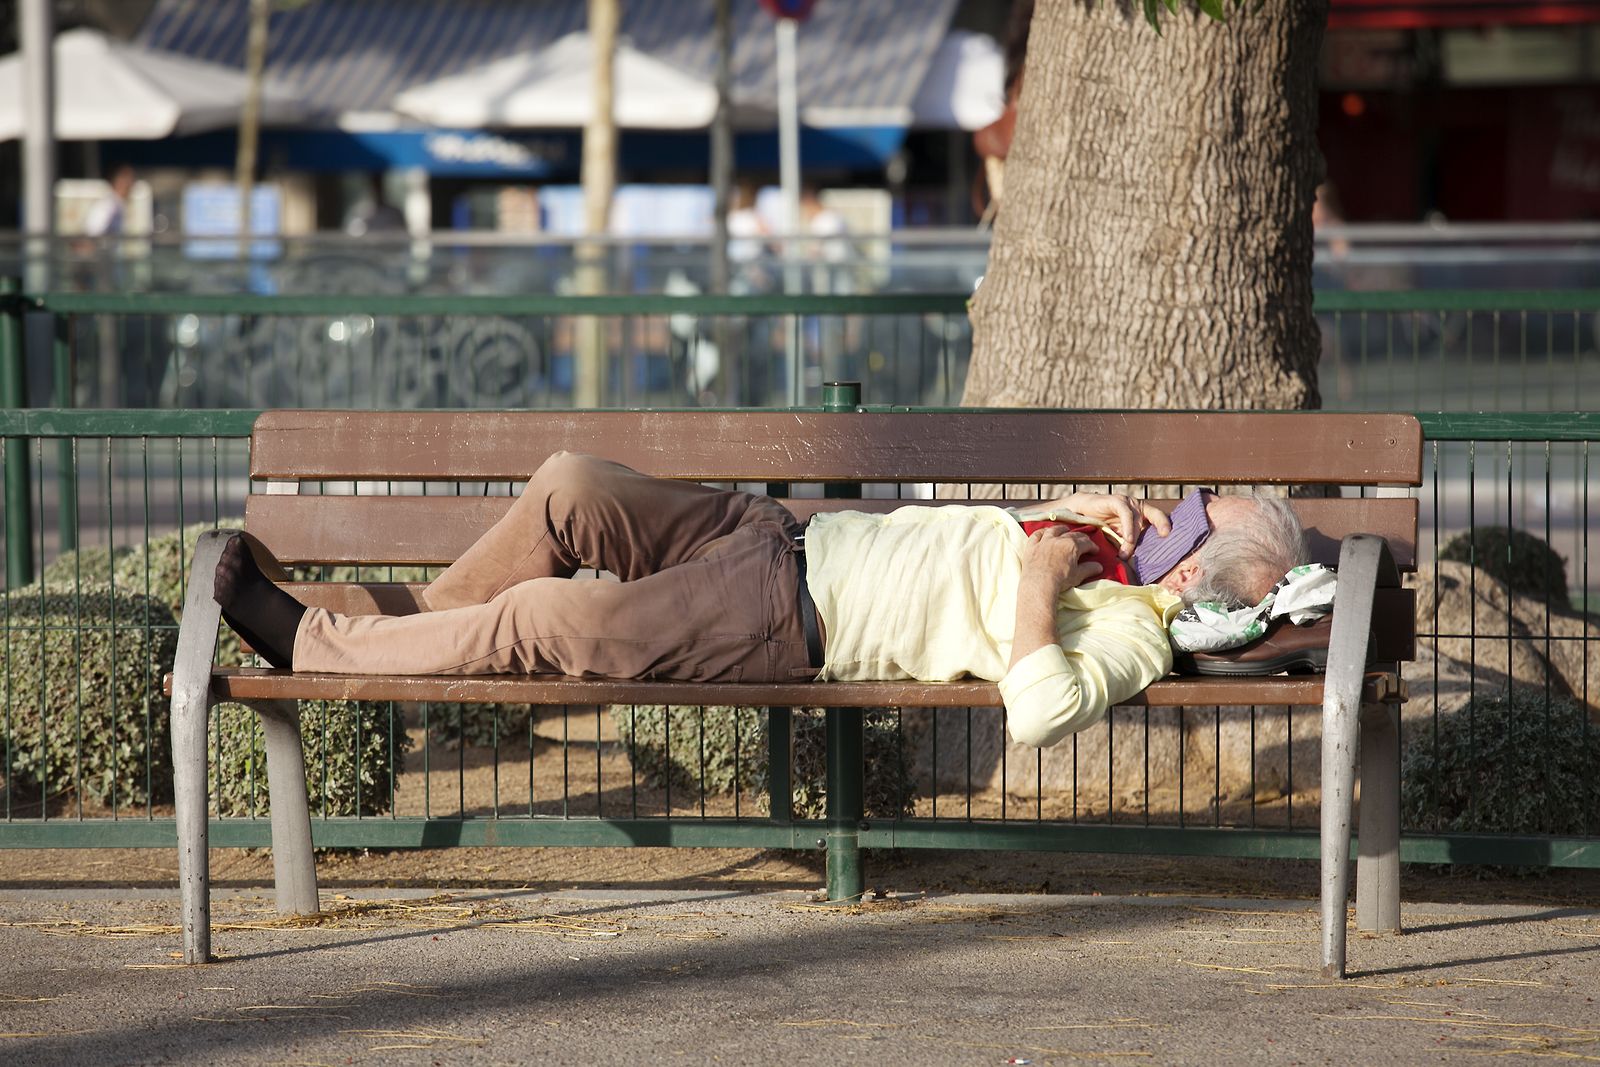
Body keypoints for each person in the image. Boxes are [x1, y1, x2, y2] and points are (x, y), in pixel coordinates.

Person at [214, 453, 1306, 748]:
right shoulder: (1096, 538)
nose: (1158, 507)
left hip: (782, 620)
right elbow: (942, 540)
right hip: (775, 531)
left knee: (550, 626)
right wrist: (1044, 510)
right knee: (569, 487)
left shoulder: (1129, 625)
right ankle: (397, 653)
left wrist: (1038, 572)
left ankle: (310, 638)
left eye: (1179, 518)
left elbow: (1035, 710)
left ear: (1185, 572)